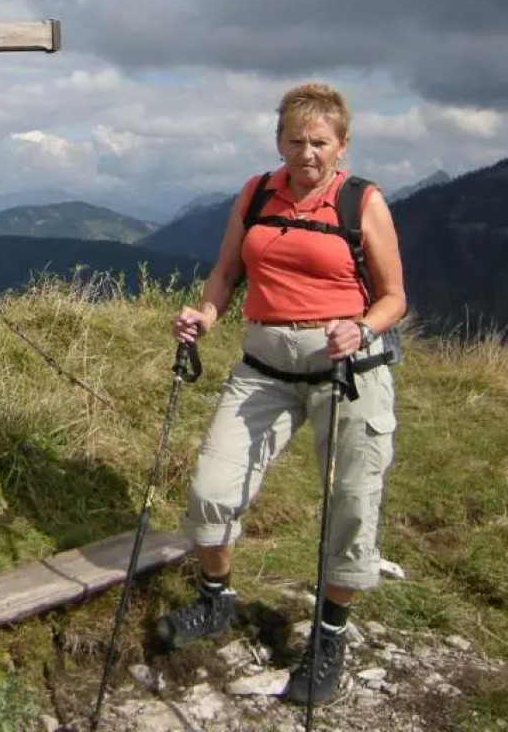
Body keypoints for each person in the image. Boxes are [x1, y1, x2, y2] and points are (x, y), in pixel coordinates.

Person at [158, 82, 406, 707]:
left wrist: (362, 326)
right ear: (279, 141)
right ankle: (216, 600)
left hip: (347, 371)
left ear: (341, 145)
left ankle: (328, 638)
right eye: (295, 140)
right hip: (262, 366)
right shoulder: (256, 192)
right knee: (211, 488)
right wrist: (204, 316)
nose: (306, 153)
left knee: (349, 506)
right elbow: (226, 271)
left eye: (319, 142)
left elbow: (395, 298)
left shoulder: (362, 202)